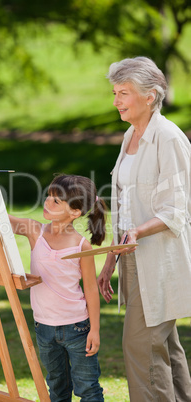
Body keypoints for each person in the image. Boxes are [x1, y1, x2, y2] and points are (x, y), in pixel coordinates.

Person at [97, 56, 191, 401]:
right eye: (115, 92)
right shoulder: (130, 136)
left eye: (124, 93)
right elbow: (125, 209)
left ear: (150, 96)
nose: (116, 101)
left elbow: (176, 210)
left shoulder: (168, 139)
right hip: (133, 258)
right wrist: (110, 260)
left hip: (161, 260)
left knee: (140, 346)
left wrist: (136, 234)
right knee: (163, 345)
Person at [9, 174, 106, 401]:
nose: (47, 202)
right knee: (57, 389)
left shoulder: (82, 245)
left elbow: (90, 290)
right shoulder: (35, 231)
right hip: (44, 329)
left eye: (56, 201)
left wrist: (95, 330)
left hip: (77, 329)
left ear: (75, 212)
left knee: (88, 389)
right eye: (48, 196)